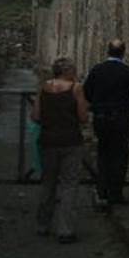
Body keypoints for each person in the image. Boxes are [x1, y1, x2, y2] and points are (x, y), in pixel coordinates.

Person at [83, 39, 129, 207]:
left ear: (108, 51)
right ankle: (116, 193)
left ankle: (102, 190)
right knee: (119, 155)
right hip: (120, 119)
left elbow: (87, 92)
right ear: (123, 52)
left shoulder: (97, 70)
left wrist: (96, 104)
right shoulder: (127, 71)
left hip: (101, 118)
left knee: (103, 154)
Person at [31, 56, 88, 243]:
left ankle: (41, 225)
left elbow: (36, 116)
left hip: (48, 141)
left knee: (48, 183)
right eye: (74, 70)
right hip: (71, 141)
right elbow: (83, 117)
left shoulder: (44, 88)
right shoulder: (76, 89)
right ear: (68, 72)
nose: (76, 73)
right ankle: (65, 230)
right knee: (69, 185)